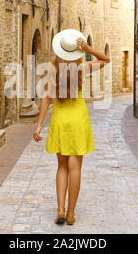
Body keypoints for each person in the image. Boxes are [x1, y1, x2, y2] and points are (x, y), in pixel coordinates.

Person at [33, 29, 110, 225]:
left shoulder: (51, 68)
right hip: (77, 119)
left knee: (61, 167)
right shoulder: (82, 67)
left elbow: (46, 98)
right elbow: (106, 60)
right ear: (76, 51)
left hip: (60, 118)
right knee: (75, 168)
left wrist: (39, 125)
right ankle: (70, 213)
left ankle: (59, 209)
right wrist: (88, 48)